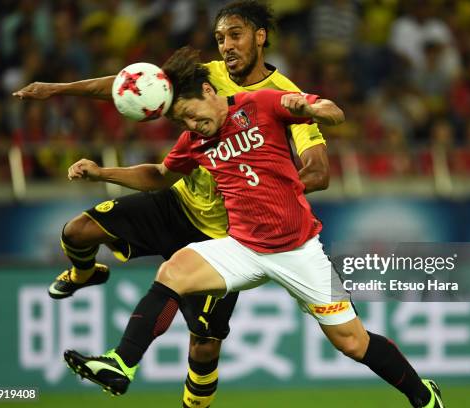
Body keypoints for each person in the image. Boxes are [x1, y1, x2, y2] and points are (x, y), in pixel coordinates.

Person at [64, 46, 445, 408]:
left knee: (352, 343)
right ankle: (122, 362)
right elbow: (160, 175)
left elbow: (332, 112)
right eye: (181, 120)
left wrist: (311, 107)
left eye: (192, 113)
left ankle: (423, 394)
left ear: (210, 90)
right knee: (174, 270)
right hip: (242, 247)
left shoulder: (259, 104)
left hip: (300, 251)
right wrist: (102, 172)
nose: (192, 124)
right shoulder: (194, 141)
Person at [13, 2, 329, 407]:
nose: (226, 45)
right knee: (78, 231)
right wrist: (56, 90)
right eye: (219, 38)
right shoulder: (208, 75)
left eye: (235, 35)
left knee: (203, 347)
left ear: (260, 36)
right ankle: (84, 272)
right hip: (176, 203)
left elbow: (319, 171)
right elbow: (130, 85)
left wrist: (271, 194)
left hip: (223, 235)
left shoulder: (285, 96)